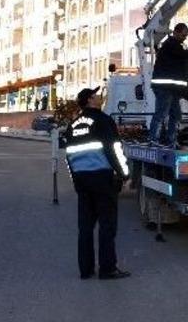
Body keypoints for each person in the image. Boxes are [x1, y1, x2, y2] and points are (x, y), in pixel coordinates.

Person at [64, 87, 130, 280]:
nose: (100, 97)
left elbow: (68, 157)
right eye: (96, 95)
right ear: (90, 100)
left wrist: (75, 181)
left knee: (85, 227)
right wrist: (124, 174)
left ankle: (86, 269)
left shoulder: (73, 125)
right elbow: (114, 149)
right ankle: (107, 268)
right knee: (107, 225)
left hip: (82, 181)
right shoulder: (103, 120)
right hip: (102, 178)